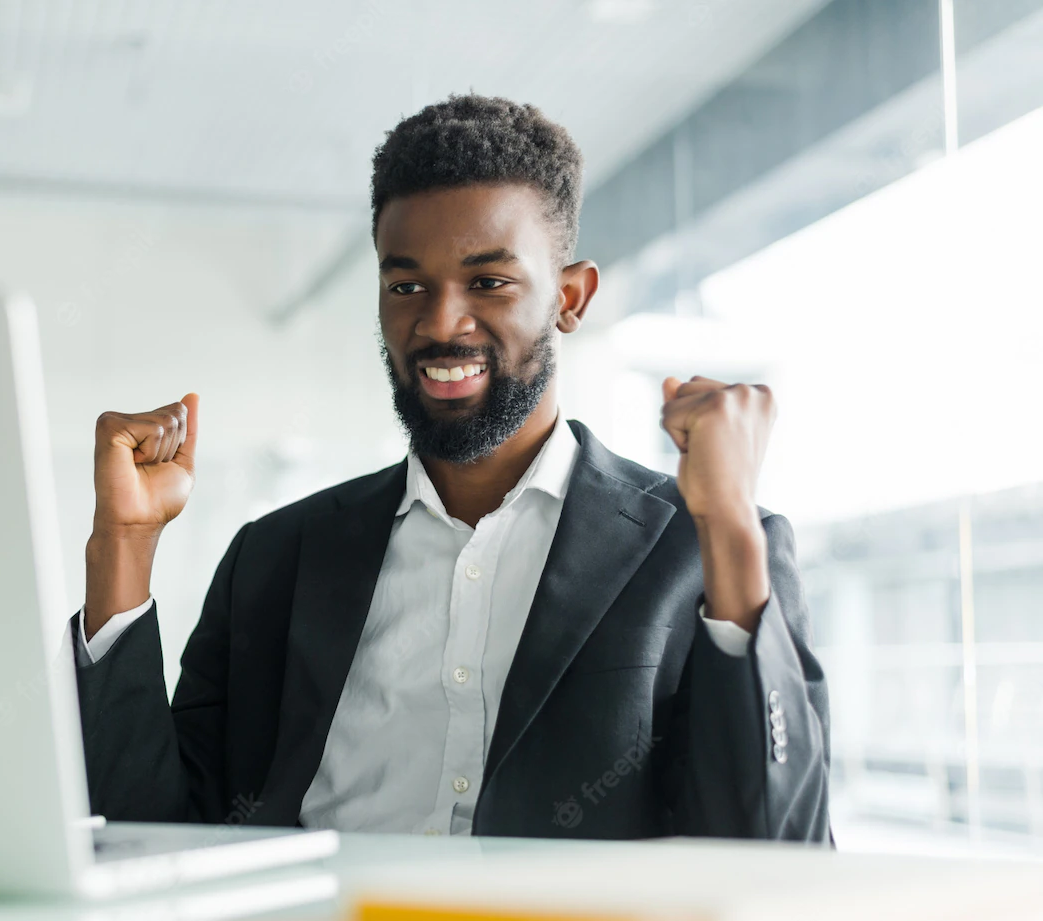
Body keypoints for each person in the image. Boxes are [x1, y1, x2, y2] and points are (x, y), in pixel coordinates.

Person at [71, 95, 829, 840]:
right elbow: (147, 838)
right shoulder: (274, 561)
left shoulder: (705, 550)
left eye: (489, 282)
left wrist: (727, 526)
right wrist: (124, 547)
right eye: (407, 286)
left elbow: (774, 846)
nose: (438, 323)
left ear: (570, 297)